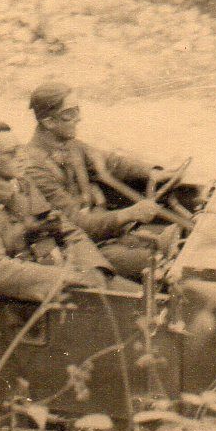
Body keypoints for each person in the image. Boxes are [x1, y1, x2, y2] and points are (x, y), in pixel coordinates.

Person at [0, 120, 123, 302]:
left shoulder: (21, 183)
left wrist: (94, 267)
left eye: (20, 149)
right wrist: (69, 278)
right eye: (12, 153)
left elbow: (66, 228)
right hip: (34, 298)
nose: (22, 157)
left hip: (66, 271)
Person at [23, 81, 173, 281]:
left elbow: (110, 162)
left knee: (173, 243)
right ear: (49, 122)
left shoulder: (70, 145)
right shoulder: (35, 167)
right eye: (71, 113)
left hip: (105, 233)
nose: (79, 118)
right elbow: (75, 223)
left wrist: (151, 172)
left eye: (78, 110)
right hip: (81, 249)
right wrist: (129, 213)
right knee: (166, 266)